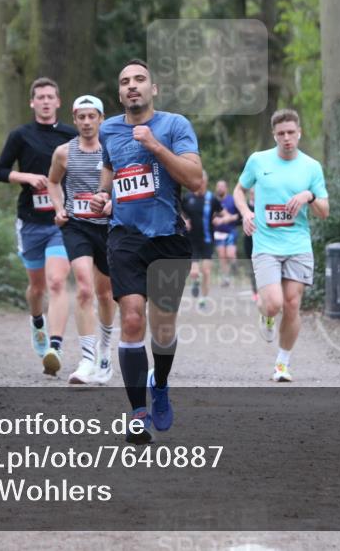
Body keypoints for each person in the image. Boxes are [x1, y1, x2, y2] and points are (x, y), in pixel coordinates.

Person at [89, 59, 203, 444]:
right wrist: (104, 195)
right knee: (133, 318)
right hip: (125, 237)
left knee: (163, 326)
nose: (132, 86)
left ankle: (161, 383)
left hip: (168, 236)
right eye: (124, 82)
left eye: (139, 80)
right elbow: (110, 168)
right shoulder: (108, 130)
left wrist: (154, 145)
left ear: (154, 89)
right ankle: (137, 413)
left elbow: (197, 180)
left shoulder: (175, 126)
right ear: (119, 93)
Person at [233, 109, 329, 382]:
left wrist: (309, 195)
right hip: (265, 244)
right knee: (274, 303)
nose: (287, 138)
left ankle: (282, 364)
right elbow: (239, 190)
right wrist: (246, 213)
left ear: (299, 133)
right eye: (281, 134)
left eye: (291, 133)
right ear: (274, 135)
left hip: (298, 245)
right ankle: (266, 315)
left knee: (292, 303)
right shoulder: (258, 161)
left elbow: (325, 211)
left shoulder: (311, 167)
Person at [0, 77, 77, 376]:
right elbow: (0, 171)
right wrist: (27, 178)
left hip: (60, 220)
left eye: (49, 97)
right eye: (39, 97)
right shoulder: (20, 135)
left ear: (58, 102)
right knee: (37, 287)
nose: (44, 101)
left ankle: (55, 346)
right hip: (30, 222)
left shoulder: (71, 135)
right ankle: (37, 321)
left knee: (57, 282)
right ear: (32, 103)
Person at [47, 95, 117, 385]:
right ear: (74, 120)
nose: (87, 122)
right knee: (85, 289)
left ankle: (105, 349)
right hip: (78, 226)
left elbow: (124, 183)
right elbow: (52, 181)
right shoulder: (63, 152)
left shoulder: (113, 149)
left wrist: (115, 204)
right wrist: (59, 207)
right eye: (81, 117)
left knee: (105, 294)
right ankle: (87, 359)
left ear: (101, 119)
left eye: (92, 116)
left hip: (110, 227)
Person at [182, 172, 225, 308]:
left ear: (206, 182)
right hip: (192, 241)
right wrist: (184, 221)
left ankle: (203, 298)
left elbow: (224, 214)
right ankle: (195, 282)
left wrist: (220, 219)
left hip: (207, 240)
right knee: (194, 271)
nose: (200, 184)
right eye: (197, 181)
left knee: (206, 271)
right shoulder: (188, 198)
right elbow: (179, 213)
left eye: (202, 181)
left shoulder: (211, 198)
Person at [212, 179, 240, 288]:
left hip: (230, 231)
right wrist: (212, 220)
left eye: (222, 186)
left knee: (230, 254)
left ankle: (235, 268)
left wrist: (226, 219)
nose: (220, 188)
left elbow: (239, 216)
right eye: (218, 186)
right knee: (222, 256)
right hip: (218, 233)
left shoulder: (232, 200)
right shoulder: (213, 201)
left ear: (226, 188)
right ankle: (226, 278)